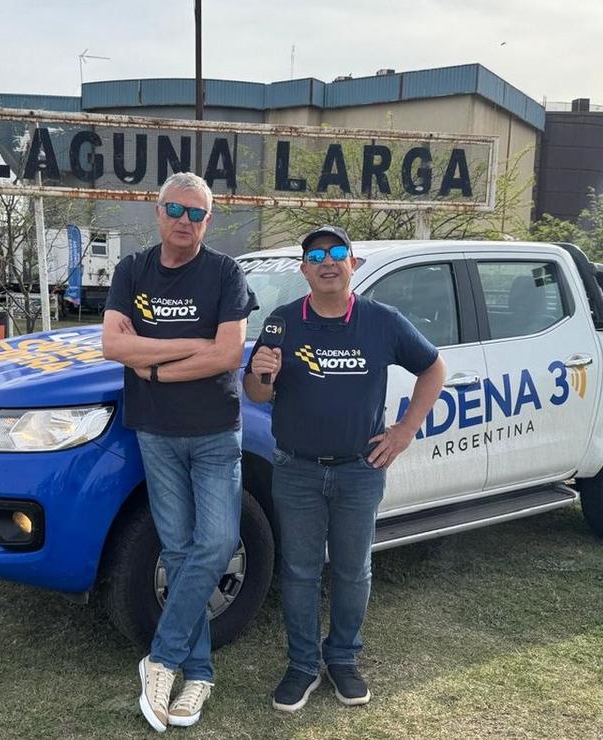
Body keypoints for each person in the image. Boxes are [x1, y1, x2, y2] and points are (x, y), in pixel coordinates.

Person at [243, 225, 446, 712]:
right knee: (300, 571)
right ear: (304, 270)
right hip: (296, 469)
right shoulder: (283, 322)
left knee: (354, 570)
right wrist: (263, 374)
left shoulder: (382, 321)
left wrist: (405, 430)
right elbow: (257, 393)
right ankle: (302, 665)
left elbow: (433, 368)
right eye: (316, 256)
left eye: (337, 252)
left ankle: (343, 659)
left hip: (359, 470)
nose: (327, 262)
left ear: (352, 263)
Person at [101, 171, 258, 732]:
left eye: (196, 213)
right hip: (156, 433)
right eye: (176, 209)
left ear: (207, 221)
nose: (185, 221)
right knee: (179, 549)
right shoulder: (132, 270)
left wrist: (152, 367)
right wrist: (192, 343)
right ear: (158, 211)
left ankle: (162, 659)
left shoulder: (225, 273)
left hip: (215, 432)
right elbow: (112, 344)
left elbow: (228, 355)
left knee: (215, 543)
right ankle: (200, 675)